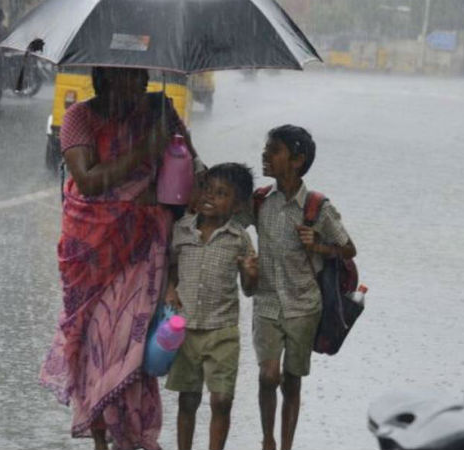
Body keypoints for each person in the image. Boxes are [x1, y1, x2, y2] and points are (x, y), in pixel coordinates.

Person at [38, 67, 199, 450]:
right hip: (92, 252)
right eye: (129, 75)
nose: (140, 82)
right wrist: (143, 151)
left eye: (142, 75)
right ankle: (100, 441)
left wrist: (170, 182)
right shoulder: (80, 117)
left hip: (144, 247)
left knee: (130, 346)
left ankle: (131, 439)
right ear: (103, 78)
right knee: (95, 346)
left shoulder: (160, 109)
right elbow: (89, 180)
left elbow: (188, 165)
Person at [254, 125, 356, 450]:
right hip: (267, 304)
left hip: (304, 307)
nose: (265, 155)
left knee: (292, 380)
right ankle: (268, 439)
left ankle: (286, 444)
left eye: (274, 151)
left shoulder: (317, 207)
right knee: (268, 375)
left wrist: (320, 246)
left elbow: (348, 248)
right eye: (266, 149)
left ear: (296, 160)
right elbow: (225, 213)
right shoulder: (259, 202)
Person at [164, 163, 258, 450]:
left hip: (222, 332)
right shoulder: (181, 230)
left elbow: (249, 289)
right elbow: (170, 266)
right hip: (186, 328)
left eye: (221, 193)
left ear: (237, 204)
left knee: (221, 400)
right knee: (188, 398)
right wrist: (169, 289)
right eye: (206, 189)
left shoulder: (239, 238)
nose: (209, 197)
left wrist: (251, 273)